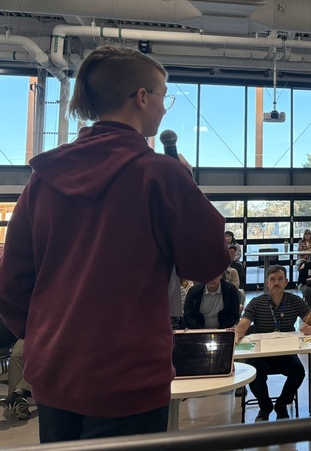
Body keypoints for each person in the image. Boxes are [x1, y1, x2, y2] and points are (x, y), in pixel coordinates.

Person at [0, 46, 230, 442]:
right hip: (129, 377)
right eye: (163, 97)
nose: (163, 108)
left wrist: (46, 336)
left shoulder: (44, 178)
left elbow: (12, 282)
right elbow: (209, 261)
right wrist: (188, 186)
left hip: (55, 374)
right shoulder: (159, 174)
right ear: (142, 97)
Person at [234, 266, 311, 421]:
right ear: (266, 283)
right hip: (261, 353)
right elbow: (242, 326)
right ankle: (265, 406)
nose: (276, 283)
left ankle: (281, 404)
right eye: (272, 279)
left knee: (298, 372)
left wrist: (310, 328)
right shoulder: (256, 302)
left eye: (280, 279)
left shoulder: (295, 301)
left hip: (285, 352)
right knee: (254, 374)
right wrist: (237, 334)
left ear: (286, 282)